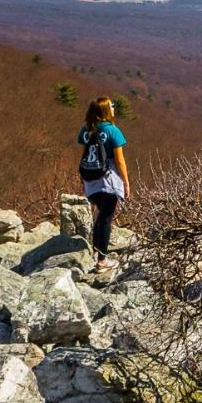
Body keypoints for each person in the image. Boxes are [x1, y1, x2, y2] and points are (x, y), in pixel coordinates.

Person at [78, 98, 130, 273]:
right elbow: (120, 160)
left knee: (100, 217)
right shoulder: (113, 131)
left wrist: (82, 179)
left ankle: (95, 252)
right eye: (112, 106)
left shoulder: (86, 130)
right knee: (105, 219)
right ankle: (102, 261)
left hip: (91, 179)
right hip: (109, 179)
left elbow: (83, 155)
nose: (114, 108)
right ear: (106, 110)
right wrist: (126, 182)